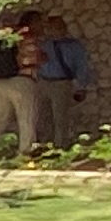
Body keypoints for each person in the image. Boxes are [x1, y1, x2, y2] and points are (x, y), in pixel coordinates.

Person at [34, 12, 94, 149]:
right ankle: (45, 146)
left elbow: (81, 66)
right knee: (44, 118)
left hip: (61, 83)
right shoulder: (45, 45)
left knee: (60, 117)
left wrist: (82, 86)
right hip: (44, 82)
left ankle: (60, 147)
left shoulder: (73, 46)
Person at [0, 18, 44, 154]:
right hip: (22, 82)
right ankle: (26, 153)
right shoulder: (26, 38)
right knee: (26, 120)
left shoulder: (1, 39)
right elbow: (34, 59)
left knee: (0, 122)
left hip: (0, 84)